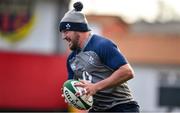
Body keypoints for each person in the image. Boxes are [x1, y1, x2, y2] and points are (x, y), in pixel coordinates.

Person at [59, 1, 140, 112]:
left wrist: (95, 87)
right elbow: (73, 86)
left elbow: (127, 72)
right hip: (97, 109)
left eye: (65, 31)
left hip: (121, 107)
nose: (63, 36)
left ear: (77, 29)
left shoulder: (101, 45)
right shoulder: (71, 60)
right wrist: (69, 94)